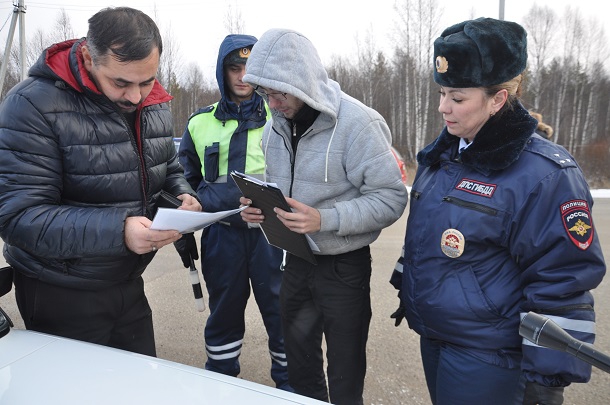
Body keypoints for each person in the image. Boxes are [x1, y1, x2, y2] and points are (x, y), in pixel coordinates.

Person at [389, 18, 606, 405]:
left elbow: (562, 278)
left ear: (498, 99)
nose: (442, 107)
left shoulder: (546, 175)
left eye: (457, 99)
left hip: (491, 356)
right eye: (441, 93)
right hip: (437, 338)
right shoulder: (445, 156)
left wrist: (546, 381)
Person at [0, 7, 201, 357]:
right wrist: (119, 231)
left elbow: (169, 166)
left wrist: (182, 195)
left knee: (139, 380)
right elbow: (19, 217)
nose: (136, 96)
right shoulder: (31, 106)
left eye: (147, 81)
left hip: (128, 280)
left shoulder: (153, 101)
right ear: (88, 58)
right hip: (59, 288)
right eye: (121, 83)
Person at [239, 28, 408, 405]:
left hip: (343, 267)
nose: (273, 103)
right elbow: (278, 190)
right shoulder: (274, 127)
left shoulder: (359, 124)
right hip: (296, 262)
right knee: (300, 368)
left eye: (280, 93)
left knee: (345, 372)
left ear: (302, 81)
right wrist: (259, 210)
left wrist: (324, 219)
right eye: (265, 93)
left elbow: (391, 198)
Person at [177, 34, 290, 390]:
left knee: (283, 313)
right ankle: (220, 384)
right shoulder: (199, 122)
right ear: (221, 71)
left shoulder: (281, 116)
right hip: (221, 237)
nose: (242, 77)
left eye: (249, 69)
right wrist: (183, 214)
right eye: (234, 68)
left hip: (273, 237)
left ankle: (292, 388)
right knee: (223, 314)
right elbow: (184, 181)